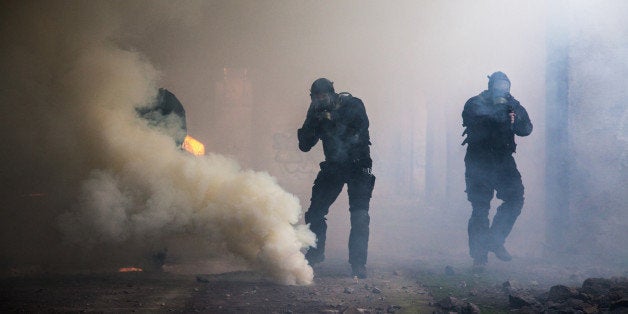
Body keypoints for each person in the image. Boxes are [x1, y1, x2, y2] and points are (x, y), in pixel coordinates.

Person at [298, 78, 375, 278]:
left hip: (358, 166)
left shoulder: (353, 104)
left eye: (323, 97)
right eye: (316, 98)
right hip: (334, 167)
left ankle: (358, 264)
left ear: (332, 94)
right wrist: (313, 120)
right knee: (315, 212)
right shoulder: (316, 113)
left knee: (359, 217)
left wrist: (333, 118)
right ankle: (315, 254)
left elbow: (360, 127)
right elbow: (305, 145)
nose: (320, 101)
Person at [461, 71, 533, 268]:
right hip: (479, 161)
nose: (502, 90)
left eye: (505, 85)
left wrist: (514, 119)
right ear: (491, 86)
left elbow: (526, 129)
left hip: (503, 161)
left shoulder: (513, 105)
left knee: (516, 197)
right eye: (498, 85)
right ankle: (479, 257)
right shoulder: (476, 102)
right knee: (480, 208)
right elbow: (474, 119)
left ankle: (495, 239)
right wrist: (499, 115)